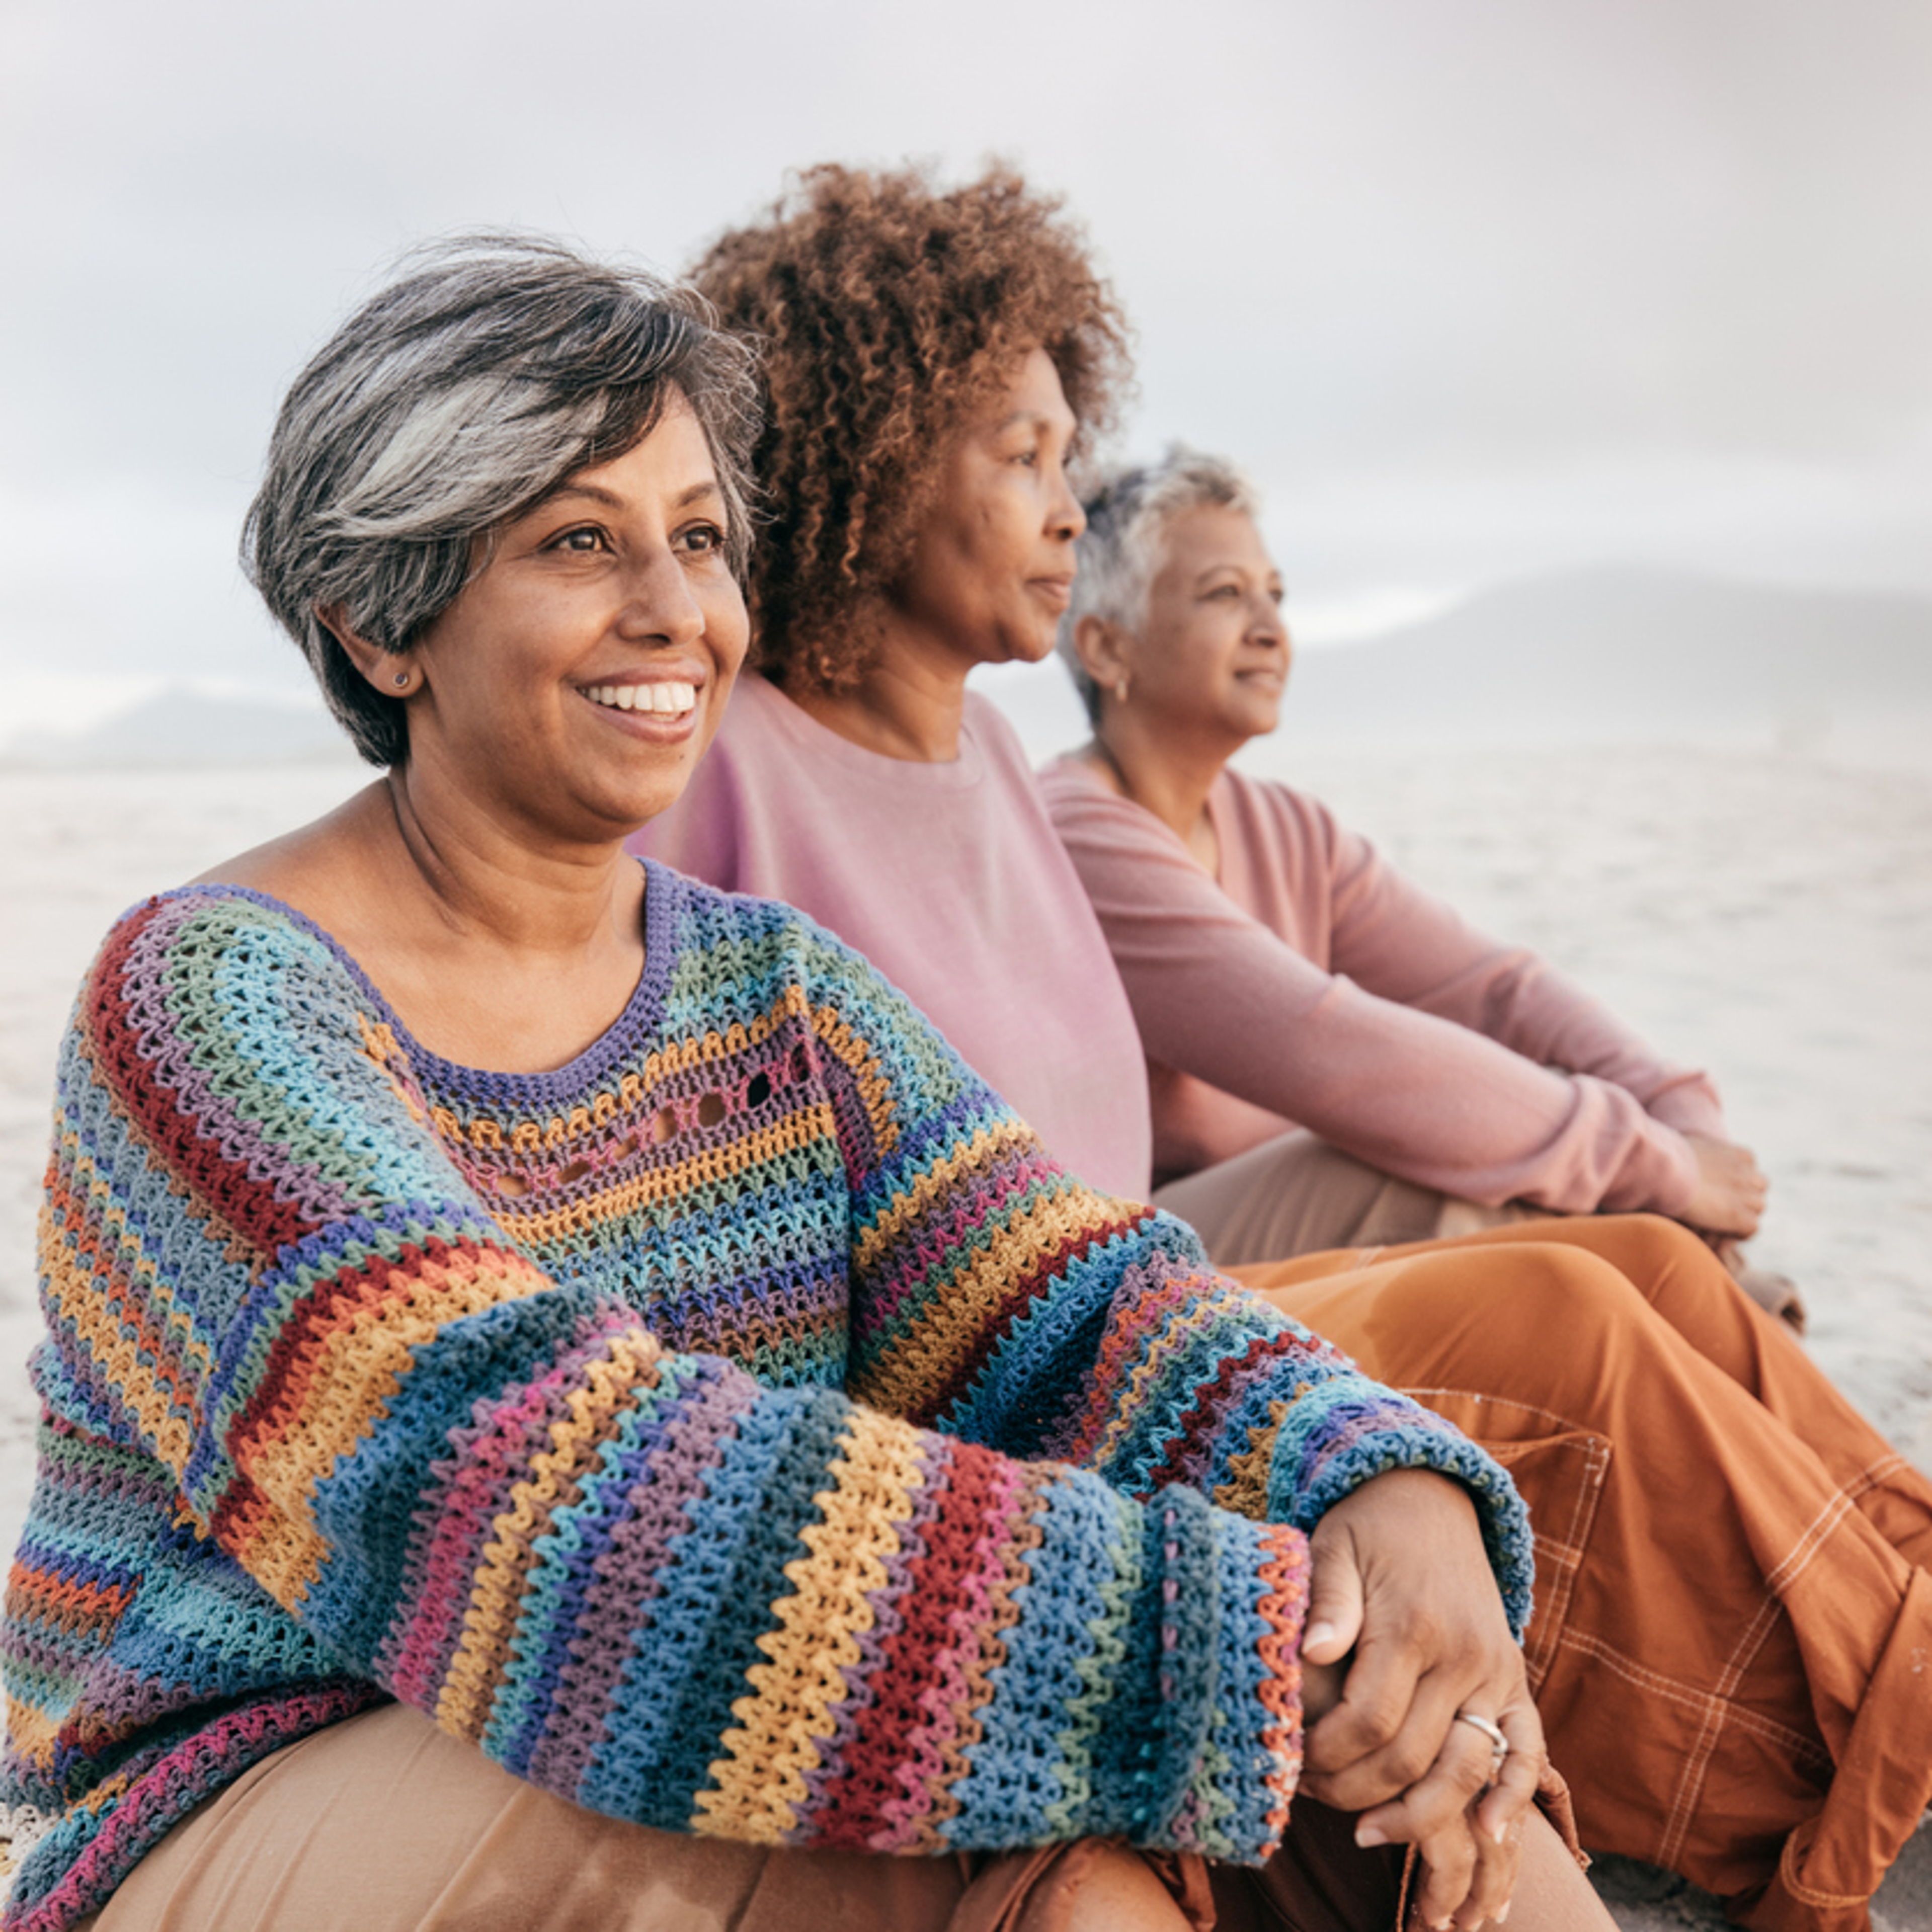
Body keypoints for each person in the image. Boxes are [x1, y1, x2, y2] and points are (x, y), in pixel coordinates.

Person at [0, 234, 1602, 1932]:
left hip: (616, 1733)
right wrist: (1245, 1636)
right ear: (378, 627)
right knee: (995, 1830)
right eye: (576, 542)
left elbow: (1066, 1302)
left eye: (699, 537)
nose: (675, 611)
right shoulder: (209, 1009)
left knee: (1424, 1807)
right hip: (246, 1800)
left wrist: (1369, 1478)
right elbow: (545, 1510)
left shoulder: (772, 995)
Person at [634, 166, 1932, 1930]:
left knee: (1625, 1267)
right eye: (1018, 454)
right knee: (1564, 1312)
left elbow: (1463, 994)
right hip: (992, 1412)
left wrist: (1671, 1136)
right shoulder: (725, 768)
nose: (1064, 502)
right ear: (870, 458)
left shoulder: (998, 769)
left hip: (1133, 1330)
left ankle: (1891, 1662)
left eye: (1068, 454)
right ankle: (1881, 1735)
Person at [1042, 450, 1793, 1325]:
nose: (1269, 627)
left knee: (1525, 1155)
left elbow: (1497, 989)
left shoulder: (1290, 831)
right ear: (1106, 646)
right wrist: (1658, 1165)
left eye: (1275, 595)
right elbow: (1333, 1051)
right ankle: (1736, 1332)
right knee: (1409, 1156)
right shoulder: (1076, 834)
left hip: (1262, 1240)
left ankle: (1742, 1356)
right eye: (1223, 594)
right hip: (1114, 1281)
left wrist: (1676, 1108)